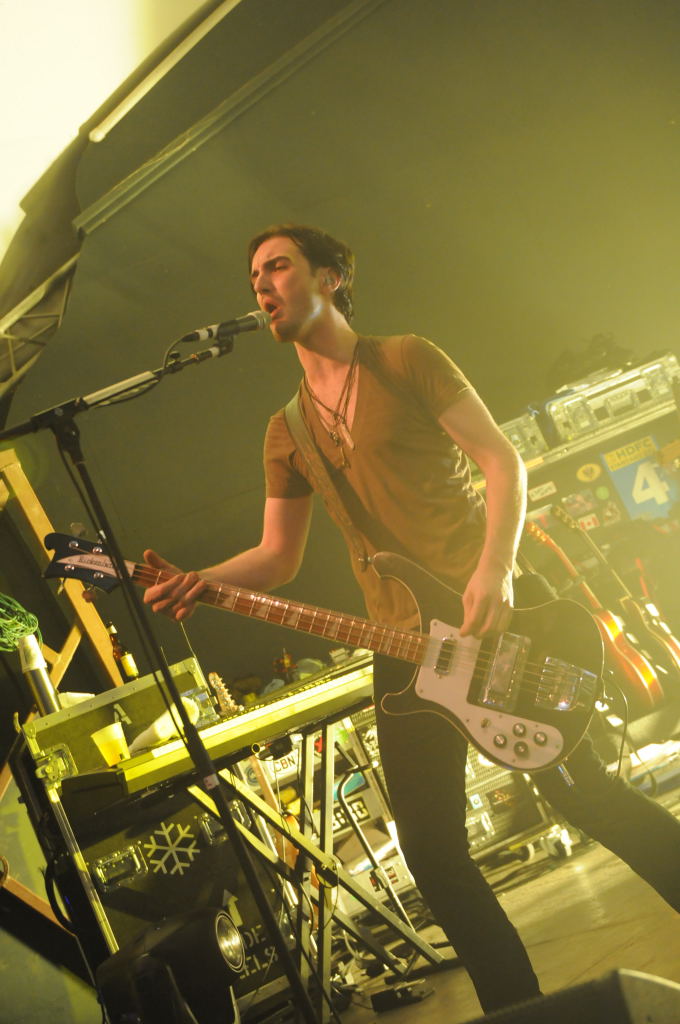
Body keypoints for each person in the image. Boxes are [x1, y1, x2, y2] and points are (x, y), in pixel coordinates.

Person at [143, 225, 680, 1014]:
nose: (260, 284)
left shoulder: (405, 359)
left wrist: (495, 569)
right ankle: (517, 1010)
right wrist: (199, 582)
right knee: (431, 850)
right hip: (404, 648)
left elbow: (502, 461)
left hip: (495, 615)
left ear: (331, 277)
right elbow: (278, 556)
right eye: (253, 274)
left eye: (278, 266)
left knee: (586, 796)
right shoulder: (286, 429)